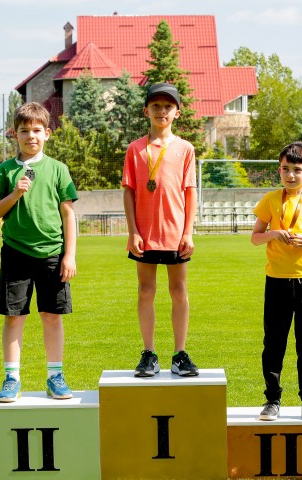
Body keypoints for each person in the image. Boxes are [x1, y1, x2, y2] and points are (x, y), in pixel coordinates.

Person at [0, 102, 78, 402]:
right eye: (24, 131)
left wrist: (70, 255)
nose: (31, 137)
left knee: (52, 316)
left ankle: (56, 376)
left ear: (47, 133)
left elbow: (68, 215)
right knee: (14, 317)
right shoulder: (5, 170)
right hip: (16, 253)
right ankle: (12, 378)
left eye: (37, 130)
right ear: (15, 134)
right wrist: (15, 193)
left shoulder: (58, 169)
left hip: (53, 254)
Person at [250, 141, 302, 421]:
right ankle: (272, 400)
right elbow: (254, 238)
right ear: (279, 170)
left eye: (297, 170)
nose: (290, 175)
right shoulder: (271, 200)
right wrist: (273, 234)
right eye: (285, 169)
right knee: (274, 341)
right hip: (276, 280)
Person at [122, 83, 199, 378]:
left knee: (178, 290)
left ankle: (180, 354)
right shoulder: (135, 149)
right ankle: (149, 353)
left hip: (176, 234)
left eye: (168, 107)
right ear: (146, 111)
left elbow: (190, 192)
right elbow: (129, 191)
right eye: (156, 106)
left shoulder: (185, 149)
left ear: (177, 112)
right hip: (145, 234)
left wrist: (188, 232)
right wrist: (133, 231)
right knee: (145, 291)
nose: (162, 111)